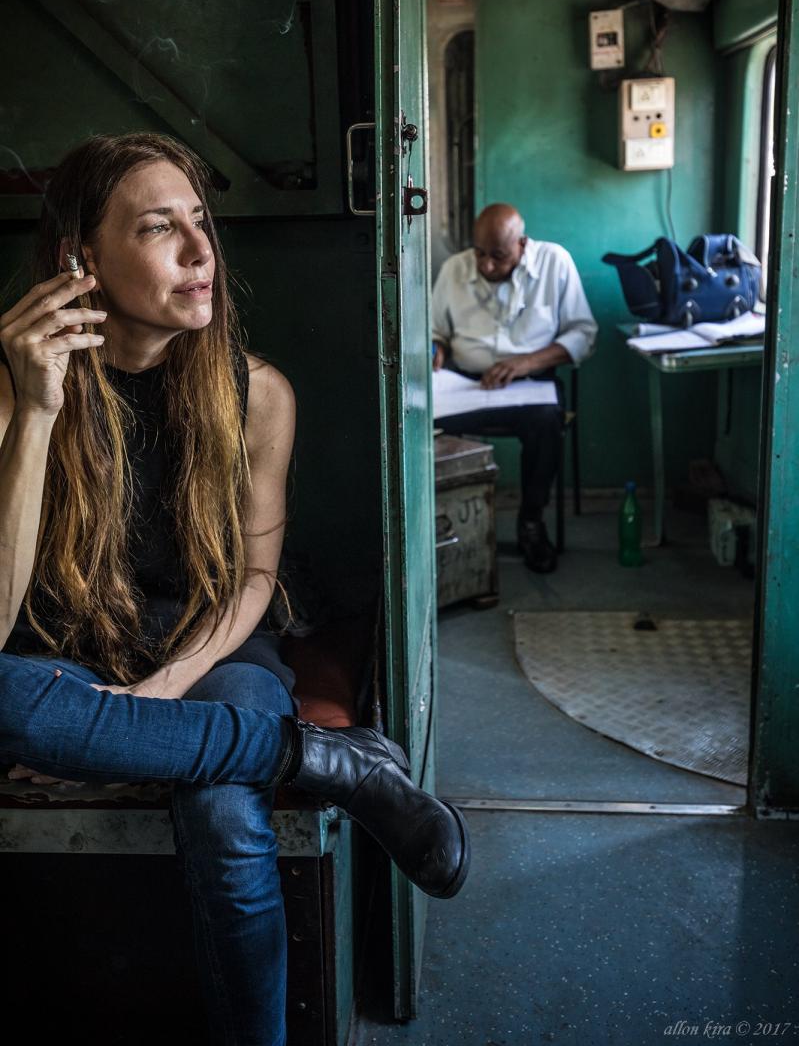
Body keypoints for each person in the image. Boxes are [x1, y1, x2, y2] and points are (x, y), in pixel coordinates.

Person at [0, 132, 470, 1046]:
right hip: (62, 656)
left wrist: (144, 711)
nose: (199, 250)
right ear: (78, 260)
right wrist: (39, 409)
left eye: (199, 221)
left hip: (213, 649)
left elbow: (254, 578)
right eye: (157, 227)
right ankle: (330, 762)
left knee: (224, 815)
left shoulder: (258, 394)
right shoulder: (15, 389)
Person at [432, 202, 597, 573]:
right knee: (423, 424)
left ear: (522, 244)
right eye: (480, 253)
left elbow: (583, 334)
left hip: (531, 385)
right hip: (467, 385)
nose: (487, 265)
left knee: (547, 423)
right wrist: (436, 348)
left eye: (498, 256)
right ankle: (443, 525)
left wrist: (525, 363)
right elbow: (435, 330)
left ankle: (531, 522)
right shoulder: (455, 268)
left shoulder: (554, 263)